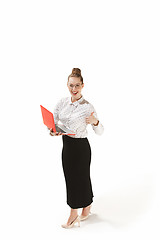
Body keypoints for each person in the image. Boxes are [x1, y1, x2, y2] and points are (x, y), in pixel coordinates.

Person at [48, 68, 104, 228]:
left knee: (79, 178)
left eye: (77, 86)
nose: (74, 89)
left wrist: (95, 121)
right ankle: (86, 207)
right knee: (72, 178)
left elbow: (100, 132)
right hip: (67, 145)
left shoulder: (87, 107)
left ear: (82, 85)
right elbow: (54, 123)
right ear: (67, 85)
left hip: (81, 147)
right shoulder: (62, 103)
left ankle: (74, 214)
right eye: (71, 85)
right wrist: (53, 131)